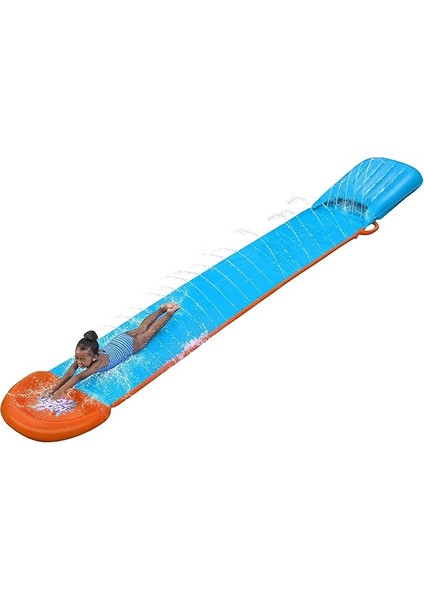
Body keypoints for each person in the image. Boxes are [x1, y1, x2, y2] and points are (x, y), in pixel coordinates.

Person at [47, 302, 180, 400]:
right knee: (141, 328)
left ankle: (169, 312)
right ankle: (162, 308)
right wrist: (54, 389)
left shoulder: (97, 363)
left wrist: (61, 391)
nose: (78, 362)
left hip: (130, 346)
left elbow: (78, 376)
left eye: (81, 359)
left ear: (94, 357)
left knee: (150, 332)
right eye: (77, 358)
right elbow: (70, 372)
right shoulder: (85, 355)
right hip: (121, 338)